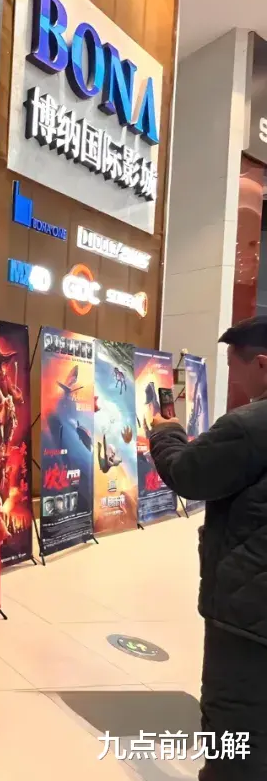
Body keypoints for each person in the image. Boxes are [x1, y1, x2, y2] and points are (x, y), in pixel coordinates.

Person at [148, 317, 267, 781]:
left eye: (235, 368)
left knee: (236, 726)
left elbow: (189, 474)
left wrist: (166, 432)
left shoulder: (249, 426)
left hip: (249, 611)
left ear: (262, 364)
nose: (233, 381)